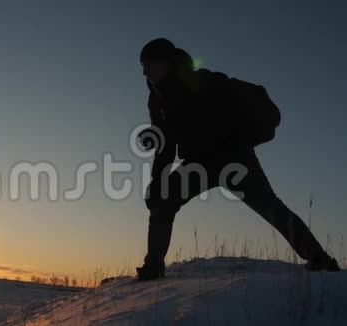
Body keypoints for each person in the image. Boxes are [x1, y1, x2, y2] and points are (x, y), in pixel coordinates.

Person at [137, 38, 340, 281]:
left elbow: (235, 99)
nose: (144, 71)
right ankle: (153, 268)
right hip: (198, 163)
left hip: (232, 157)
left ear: (166, 63)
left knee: (269, 206)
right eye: (143, 65)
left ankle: (320, 259)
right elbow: (164, 145)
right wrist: (157, 181)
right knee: (161, 201)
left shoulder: (200, 80)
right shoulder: (157, 100)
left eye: (149, 64)